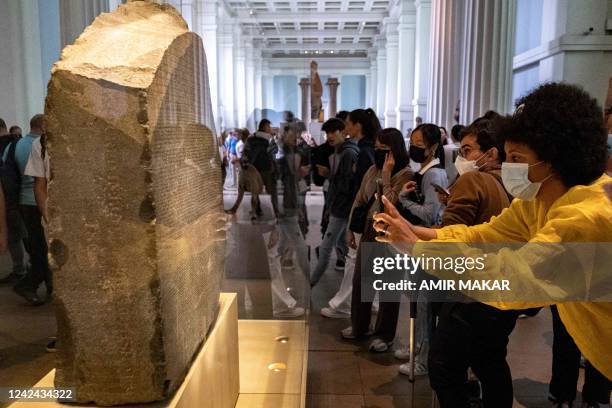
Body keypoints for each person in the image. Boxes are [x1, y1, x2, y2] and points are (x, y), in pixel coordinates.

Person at [373, 83, 612, 404]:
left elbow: (510, 278)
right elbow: (484, 235)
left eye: (516, 157)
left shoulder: (586, 217)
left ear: (555, 159)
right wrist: (417, 233)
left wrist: (415, 248)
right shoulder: (540, 201)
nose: (507, 166)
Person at [415, 114, 520, 407]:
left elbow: (451, 236)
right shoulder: (513, 186)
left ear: (491, 153)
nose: (462, 157)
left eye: (467, 150)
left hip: (470, 293)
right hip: (504, 292)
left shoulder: (473, 179)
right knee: (491, 362)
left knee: (444, 367)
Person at [340, 128, 414, 347]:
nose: (380, 154)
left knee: (389, 284)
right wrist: (351, 228)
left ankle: (384, 334)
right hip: (371, 229)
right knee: (362, 279)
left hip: (393, 232)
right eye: (377, 149)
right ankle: (360, 326)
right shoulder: (372, 169)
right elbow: (360, 198)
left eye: (385, 149)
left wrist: (386, 175)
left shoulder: (406, 174)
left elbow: (389, 203)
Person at [394, 123, 448, 376]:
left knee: (425, 305)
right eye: (412, 143)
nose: (413, 148)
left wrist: (404, 201)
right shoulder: (425, 172)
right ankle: (417, 347)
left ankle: (424, 359)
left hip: (426, 246)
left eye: (419, 145)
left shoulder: (433, 175)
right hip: (420, 245)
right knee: (417, 299)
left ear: (433, 146)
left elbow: (430, 214)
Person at [3, 114, 50, 305]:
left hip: (24, 202)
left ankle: (48, 286)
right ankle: (31, 284)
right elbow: (40, 182)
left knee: (38, 247)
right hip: (38, 201)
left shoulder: (15, 145)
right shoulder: (38, 145)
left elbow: (6, 175)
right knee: (42, 249)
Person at [310, 118, 359, 288]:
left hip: (342, 208)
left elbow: (345, 185)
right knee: (343, 247)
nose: (329, 136)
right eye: (327, 132)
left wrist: (329, 175)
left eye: (333, 132)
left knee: (325, 249)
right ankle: (355, 288)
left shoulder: (348, 153)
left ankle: (309, 285)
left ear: (343, 131)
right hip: (338, 207)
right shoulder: (339, 152)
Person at [0, 118, 26, 284]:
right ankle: (30, 267)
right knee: (24, 234)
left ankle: (19, 270)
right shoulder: (18, 142)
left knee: (14, 237)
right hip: (22, 195)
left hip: (8, 197)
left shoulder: (4, 146)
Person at [244, 119, 280, 217]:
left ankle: (257, 210)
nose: (270, 128)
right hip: (267, 168)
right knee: (273, 191)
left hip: (254, 169)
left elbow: (245, 152)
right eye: (268, 126)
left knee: (255, 191)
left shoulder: (250, 137)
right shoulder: (269, 138)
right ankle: (276, 211)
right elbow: (275, 150)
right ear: (264, 127)